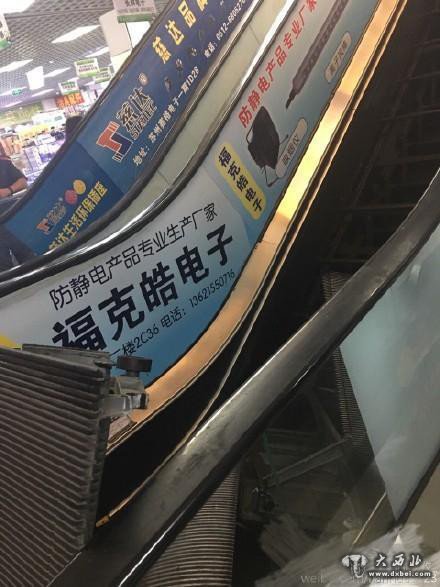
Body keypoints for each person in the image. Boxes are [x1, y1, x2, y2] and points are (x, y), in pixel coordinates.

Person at [0, 145, 30, 270]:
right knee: (4, 269)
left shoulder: (3, 163)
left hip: (13, 220)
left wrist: (8, 190)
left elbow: (23, 182)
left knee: (29, 259)